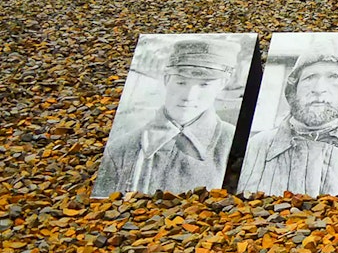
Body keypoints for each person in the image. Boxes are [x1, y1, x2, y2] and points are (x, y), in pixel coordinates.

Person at [93, 37, 241, 197]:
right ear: (166, 79)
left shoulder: (235, 144)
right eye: (181, 82)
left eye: (204, 85)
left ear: (222, 84)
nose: (189, 96)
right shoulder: (121, 149)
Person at [237, 46, 338, 197]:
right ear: (293, 89)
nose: (319, 89)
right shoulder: (259, 145)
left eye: (334, 77)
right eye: (309, 77)